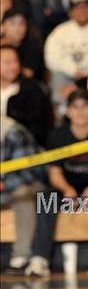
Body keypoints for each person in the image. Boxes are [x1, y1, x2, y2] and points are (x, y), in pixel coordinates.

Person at [25, 89, 88, 278]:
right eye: (75, 107)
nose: (80, 112)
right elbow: (54, 173)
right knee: (46, 199)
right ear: (68, 111)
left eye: (84, 107)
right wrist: (67, 189)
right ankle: (39, 259)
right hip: (67, 191)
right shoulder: (57, 136)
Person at [44, 0, 88, 113]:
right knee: (57, 76)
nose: (81, 11)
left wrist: (87, 72)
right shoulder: (60, 31)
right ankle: (62, 113)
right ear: (70, 12)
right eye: (77, 8)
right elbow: (51, 58)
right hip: (67, 74)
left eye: (85, 7)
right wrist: (72, 70)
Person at [1, 116, 44, 273]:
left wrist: (3, 184)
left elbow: (28, 174)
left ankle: (22, 256)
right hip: (4, 188)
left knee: (23, 195)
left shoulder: (14, 132)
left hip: (27, 184)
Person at [0, 45, 53, 146]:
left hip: (23, 148)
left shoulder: (32, 90)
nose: (13, 66)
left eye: (15, 61)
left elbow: (42, 127)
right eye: (7, 62)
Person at [1, 8, 45, 80]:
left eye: (22, 23)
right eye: (13, 23)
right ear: (2, 26)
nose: (17, 28)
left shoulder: (32, 48)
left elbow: (28, 74)